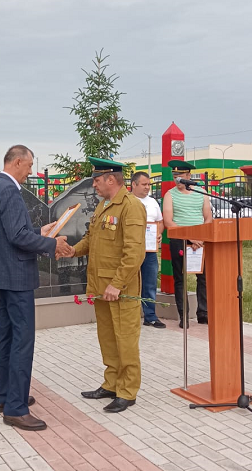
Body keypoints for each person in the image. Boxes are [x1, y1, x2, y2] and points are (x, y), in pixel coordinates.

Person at [0, 145, 70, 431]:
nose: (31, 171)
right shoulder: (9, 190)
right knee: (21, 340)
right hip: (16, 276)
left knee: (7, 337)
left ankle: (6, 397)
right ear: (17, 162)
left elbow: (12, 233)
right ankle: (16, 409)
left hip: (3, 274)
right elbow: (17, 236)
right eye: (30, 165)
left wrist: (40, 232)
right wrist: (51, 244)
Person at [67, 157, 146, 413]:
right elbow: (91, 239)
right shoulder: (104, 205)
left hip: (120, 290)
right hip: (101, 288)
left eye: (97, 180)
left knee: (125, 340)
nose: (94, 184)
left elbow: (134, 252)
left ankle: (127, 391)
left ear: (111, 179)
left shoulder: (130, 206)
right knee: (108, 339)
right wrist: (71, 251)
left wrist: (118, 284)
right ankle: (111, 384)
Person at [162, 160, 213, 328]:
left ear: (189, 176)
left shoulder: (202, 192)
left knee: (203, 278)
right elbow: (169, 221)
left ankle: (203, 313)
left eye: (180, 175)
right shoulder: (170, 195)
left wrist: (202, 237)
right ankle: (183, 315)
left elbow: (208, 217)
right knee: (180, 279)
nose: (177, 179)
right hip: (180, 241)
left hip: (201, 241)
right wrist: (191, 238)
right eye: (175, 175)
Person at [130, 171, 165, 328]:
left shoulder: (153, 202)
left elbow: (160, 222)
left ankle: (150, 316)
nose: (147, 187)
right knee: (129, 282)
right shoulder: (127, 201)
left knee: (150, 283)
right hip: (131, 249)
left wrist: (158, 234)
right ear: (134, 184)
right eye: (144, 184)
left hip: (149, 250)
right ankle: (130, 315)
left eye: (149, 184)